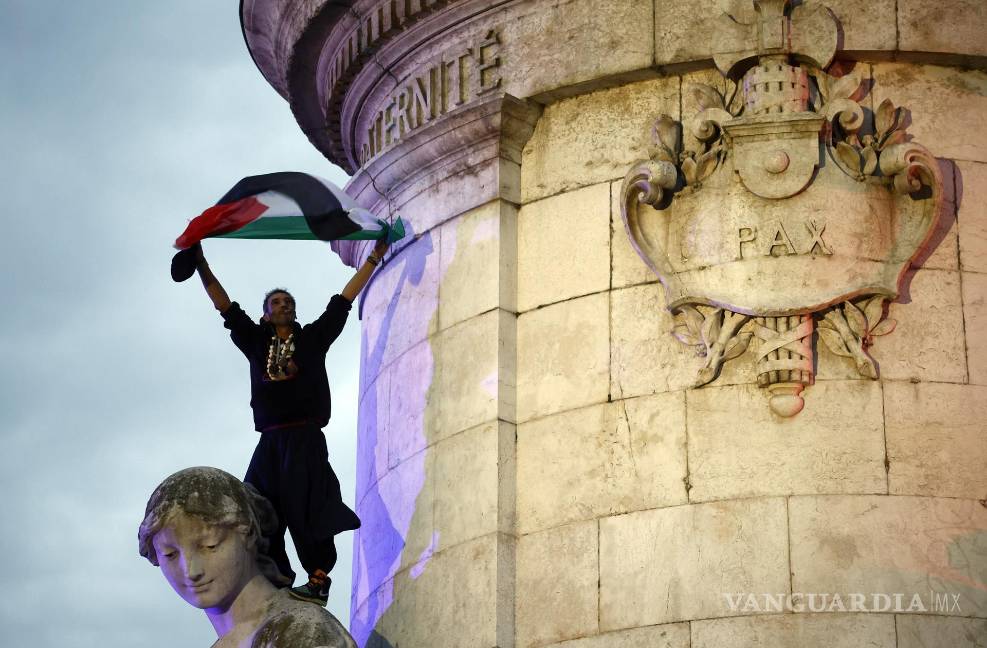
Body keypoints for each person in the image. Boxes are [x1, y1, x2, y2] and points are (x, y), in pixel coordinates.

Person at [190, 240, 387, 606]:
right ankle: (275, 575)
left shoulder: (311, 339)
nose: (284, 305)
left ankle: (318, 579)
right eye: (276, 302)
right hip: (270, 442)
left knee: (307, 506)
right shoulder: (255, 341)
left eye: (289, 302)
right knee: (254, 506)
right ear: (266, 315)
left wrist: (374, 257)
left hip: (306, 437)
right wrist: (200, 263)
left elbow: (342, 302)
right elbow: (224, 305)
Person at [138, 467, 357, 647]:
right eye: (170, 554)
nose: (191, 571)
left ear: (249, 534)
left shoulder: (300, 629)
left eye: (209, 545)